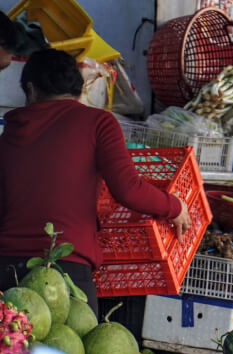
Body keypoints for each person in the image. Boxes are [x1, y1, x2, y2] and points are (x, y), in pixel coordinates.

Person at [0, 49, 190, 313]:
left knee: (13, 348)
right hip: (66, 271)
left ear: (31, 90)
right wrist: (175, 206)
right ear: (80, 91)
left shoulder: (10, 132)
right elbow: (128, 189)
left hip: (8, 270)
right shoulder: (98, 121)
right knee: (71, 352)